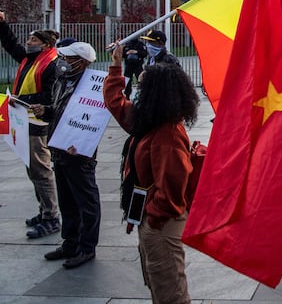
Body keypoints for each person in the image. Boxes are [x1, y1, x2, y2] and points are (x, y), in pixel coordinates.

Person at [103, 41, 197, 304]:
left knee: (170, 290)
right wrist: (115, 66)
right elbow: (117, 104)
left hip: (162, 223)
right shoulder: (149, 120)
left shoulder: (167, 133)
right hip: (150, 218)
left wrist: (153, 220)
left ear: (157, 94)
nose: (138, 92)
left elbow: (172, 189)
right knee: (157, 282)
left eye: (144, 87)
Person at [31, 41, 100, 269]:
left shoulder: (92, 86)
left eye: (70, 58)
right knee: (67, 200)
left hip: (79, 153)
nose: (64, 61)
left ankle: (86, 247)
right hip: (59, 149)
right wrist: (46, 110)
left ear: (82, 62)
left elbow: (93, 121)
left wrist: (81, 143)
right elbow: (60, 110)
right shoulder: (63, 81)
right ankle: (70, 242)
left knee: (86, 202)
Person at [0, 11, 61, 238]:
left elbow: (50, 96)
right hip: (23, 121)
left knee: (41, 170)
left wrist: (21, 100)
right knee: (32, 169)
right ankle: (44, 209)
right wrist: (3, 25)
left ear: (45, 45)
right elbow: (10, 44)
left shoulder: (51, 65)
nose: (28, 42)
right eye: (28, 39)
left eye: (33, 40)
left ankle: (51, 217)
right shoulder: (30, 59)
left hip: (37, 123)